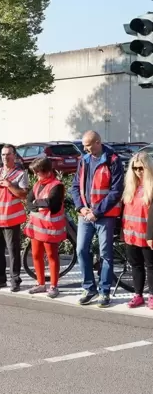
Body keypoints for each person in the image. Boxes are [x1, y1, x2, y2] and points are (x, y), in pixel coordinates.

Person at [71, 130, 124, 308]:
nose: (85, 149)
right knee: (80, 250)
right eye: (84, 145)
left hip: (104, 216)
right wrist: (81, 207)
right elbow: (75, 187)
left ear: (98, 142)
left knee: (105, 254)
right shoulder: (84, 161)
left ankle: (104, 291)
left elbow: (116, 191)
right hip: (86, 214)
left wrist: (97, 212)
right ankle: (89, 288)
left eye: (88, 145)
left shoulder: (113, 160)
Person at [0, 145, 28, 292]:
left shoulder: (20, 174)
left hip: (11, 219)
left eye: (8, 154)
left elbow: (23, 194)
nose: (5, 157)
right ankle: (0, 279)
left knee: (13, 251)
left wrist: (9, 185)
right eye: (3, 155)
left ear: (14, 156)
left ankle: (15, 280)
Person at [24, 157, 66, 299]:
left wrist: (37, 203)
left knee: (51, 256)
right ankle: (40, 283)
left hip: (49, 228)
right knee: (36, 255)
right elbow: (29, 202)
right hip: (37, 228)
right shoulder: (37, 185)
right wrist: (39, 203)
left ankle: (53, 286)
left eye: (38, 172)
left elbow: (52, 203)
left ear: (47, 172)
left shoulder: (57, 185)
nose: (36, 175)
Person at [121, 152, 153, 308]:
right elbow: (126, 212)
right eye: (135, 168)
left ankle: (152, 295)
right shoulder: (131, 187)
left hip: (147, 235)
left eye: (141, 168)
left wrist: (151, 235)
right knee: (136, 265)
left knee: (151, 266)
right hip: (131, 235)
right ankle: (138, 295)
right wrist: (122, 232)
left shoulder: (151, 187)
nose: (138, 171)